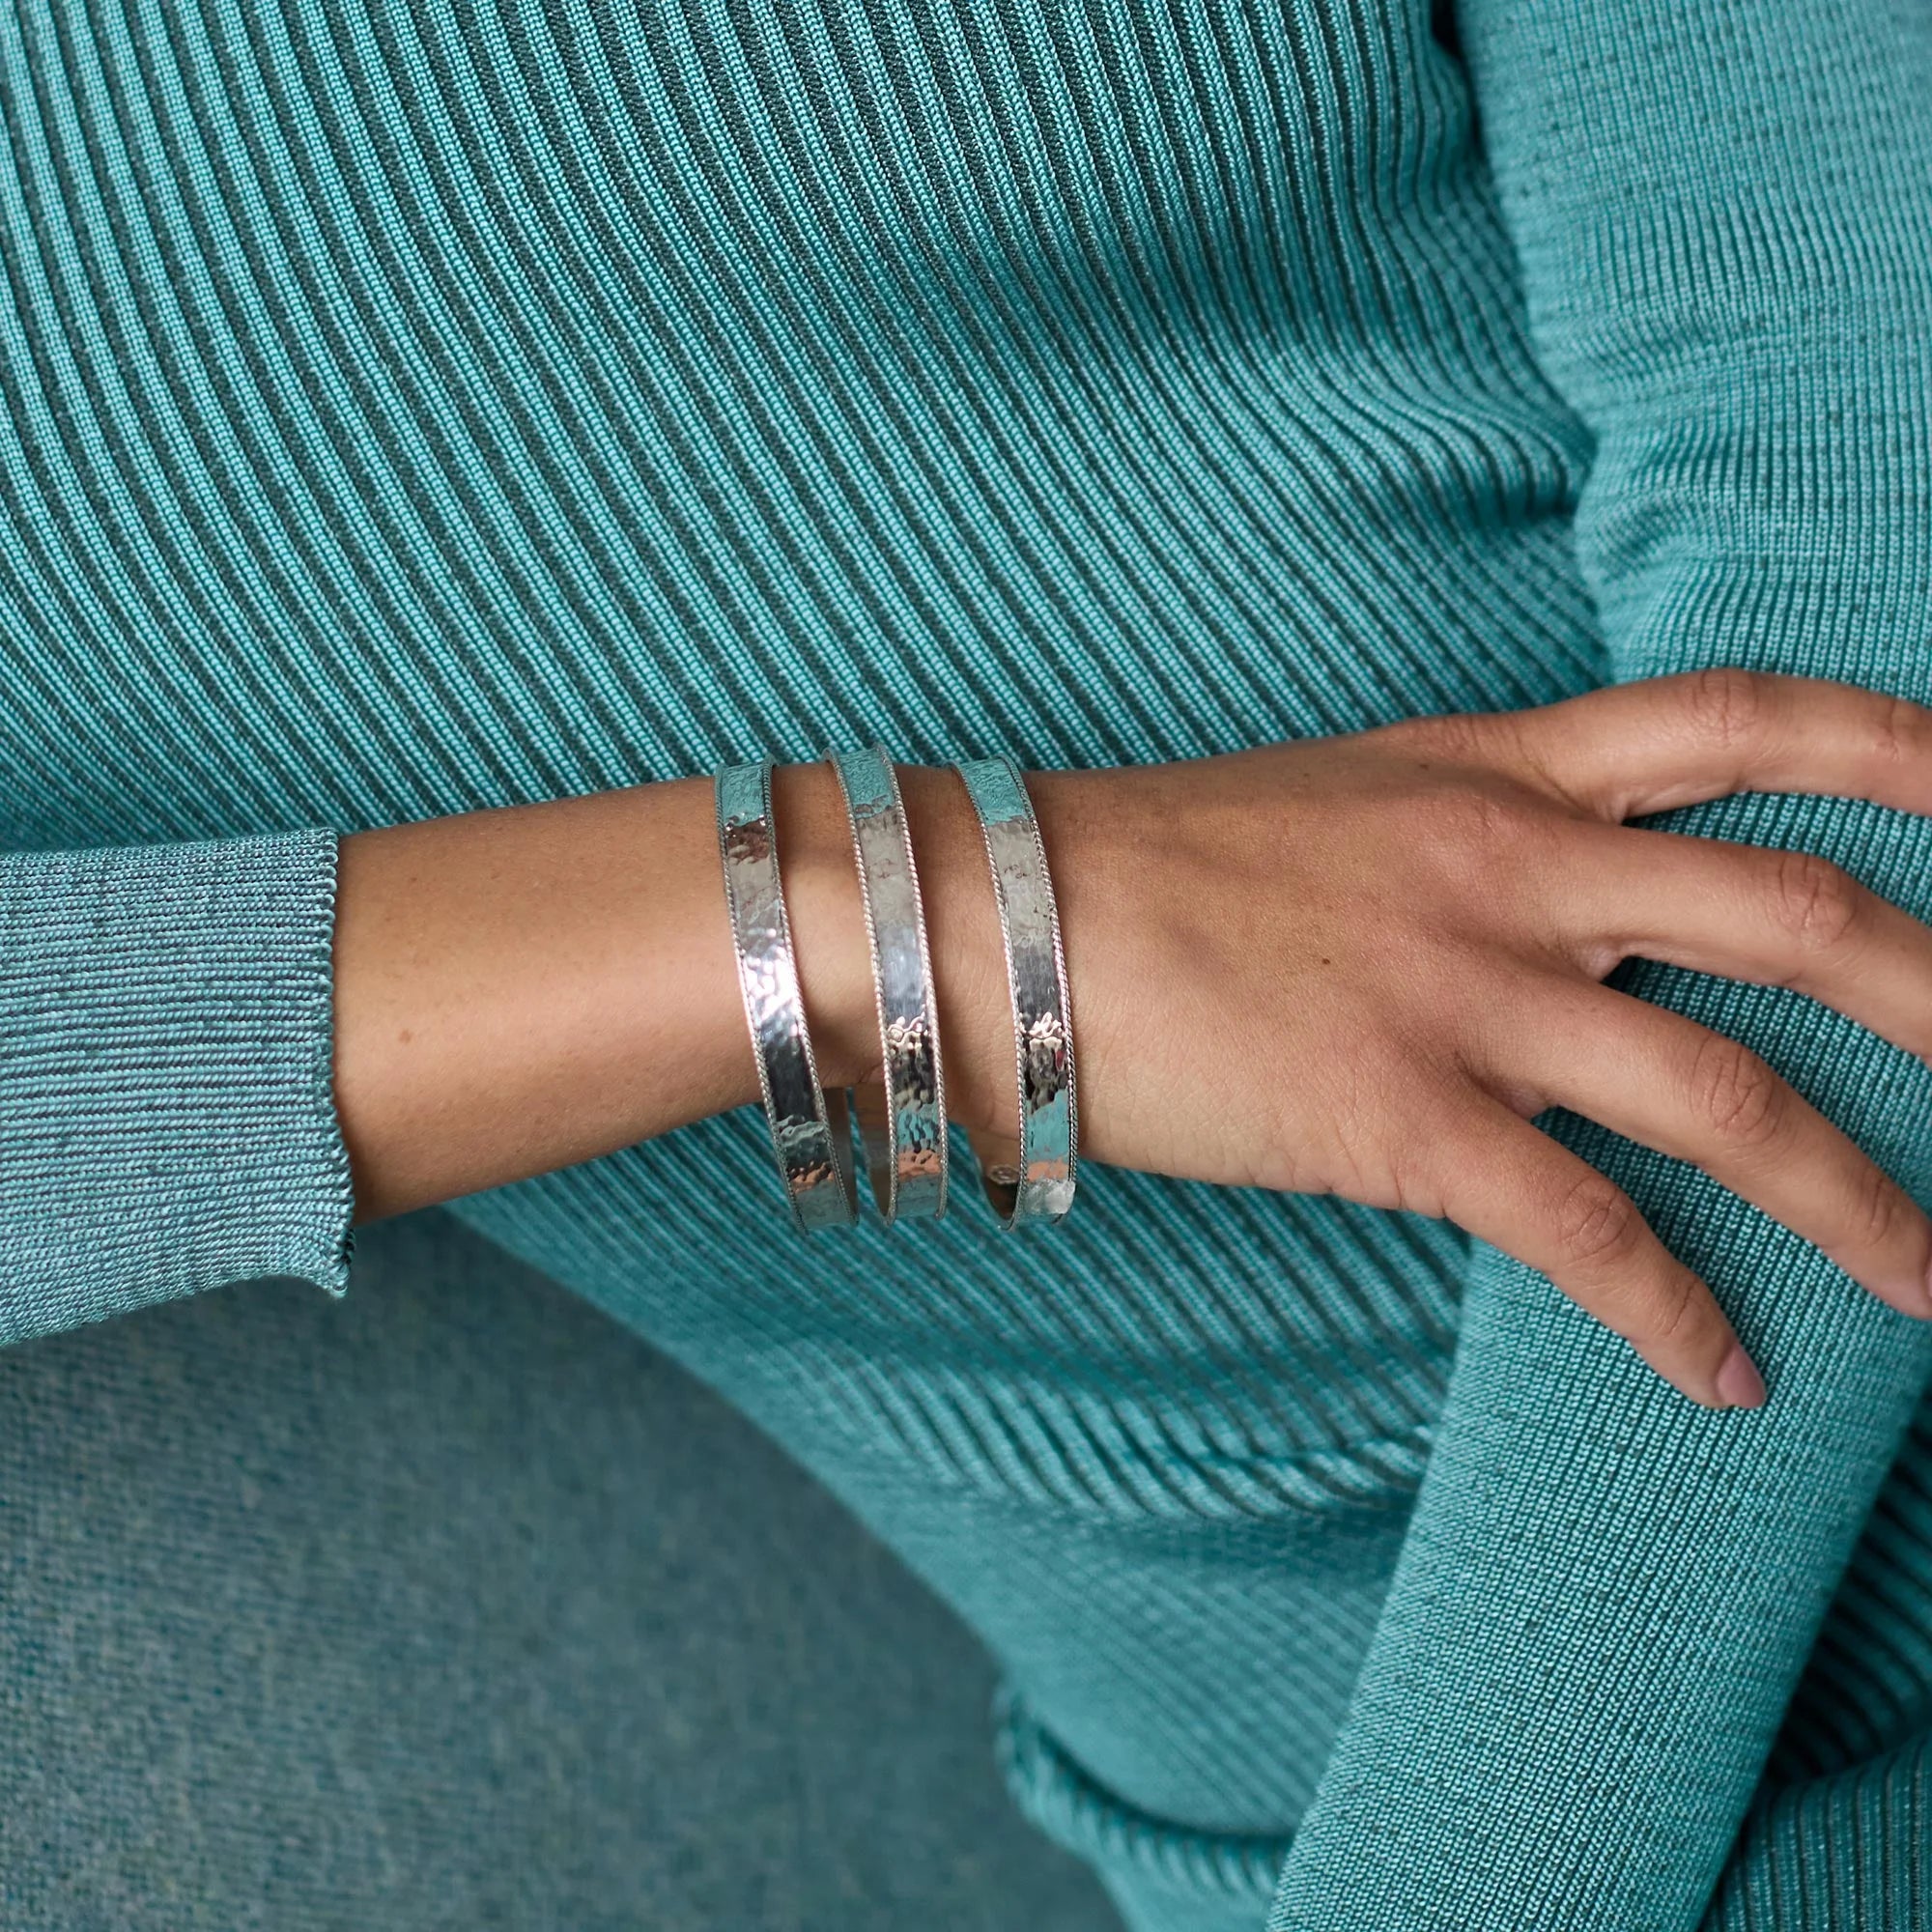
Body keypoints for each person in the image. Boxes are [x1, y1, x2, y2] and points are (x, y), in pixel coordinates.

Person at [3, 1, 1930, 1927]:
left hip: (1548, 1748)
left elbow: (1850, 496)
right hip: (1387, 1760)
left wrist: (1483, 1867)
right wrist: (900, 919)